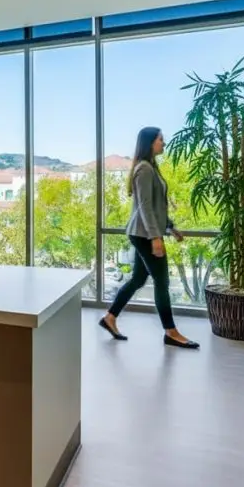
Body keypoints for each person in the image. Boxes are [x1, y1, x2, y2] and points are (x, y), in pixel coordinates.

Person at [98, 126, 199, 349]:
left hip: (144, 232)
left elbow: (156, 205)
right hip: (144, 234)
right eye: (160, 139)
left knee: (138, 280)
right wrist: (155, 237)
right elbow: (144, 206)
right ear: (150, 143)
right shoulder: (144, 169)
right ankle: (171, 332)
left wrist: (170, 227)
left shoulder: (150, 167)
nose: (164, 143)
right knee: (162, 282)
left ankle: (110, 318)